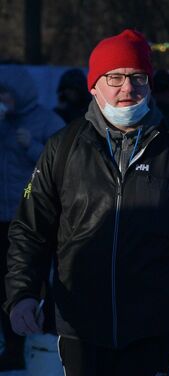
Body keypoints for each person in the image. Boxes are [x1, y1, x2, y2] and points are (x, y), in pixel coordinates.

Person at [3, 29, 169, 376]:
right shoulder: (62, 147)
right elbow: (31, 229)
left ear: (149, 84)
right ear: (94, 85)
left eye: (138, 77)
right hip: (80, 327)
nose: (127, 88)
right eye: (115, 77)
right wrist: (22, 294)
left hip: (153, 330)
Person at [0, 64, 65, 371]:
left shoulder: (46, 120)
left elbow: (65, 167)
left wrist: (33, 147)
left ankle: (50, 344)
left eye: (4, 92)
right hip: (2, 217)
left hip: (36, 219)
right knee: (7, 286)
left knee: (41, 282)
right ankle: (12, 348)